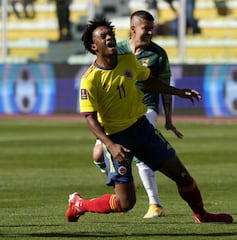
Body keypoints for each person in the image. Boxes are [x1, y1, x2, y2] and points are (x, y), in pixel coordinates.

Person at [65, 16, 233, 224]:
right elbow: (89, 118)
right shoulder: (89, 79)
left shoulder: (127, 60)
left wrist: (178, 92)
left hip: (142, 129)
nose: (110, 38)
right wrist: (111, 146)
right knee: (125, 203)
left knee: (183, 177)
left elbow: (150, 81)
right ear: (93, 46)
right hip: (118, 140)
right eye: (103, 36)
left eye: (111, 34)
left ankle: (202, 215)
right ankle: (80, 204)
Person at [92, 10, 184, 219]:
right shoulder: (118, 49)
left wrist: (168, 119)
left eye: (152, 28)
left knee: (141, 157)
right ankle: (126, 182)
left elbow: (163, 85)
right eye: (146, 28)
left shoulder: (157, 54)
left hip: (145, 109)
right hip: (116, 114)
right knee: (97, 155)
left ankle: (155, 204)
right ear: (133, 29)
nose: (151, 32)